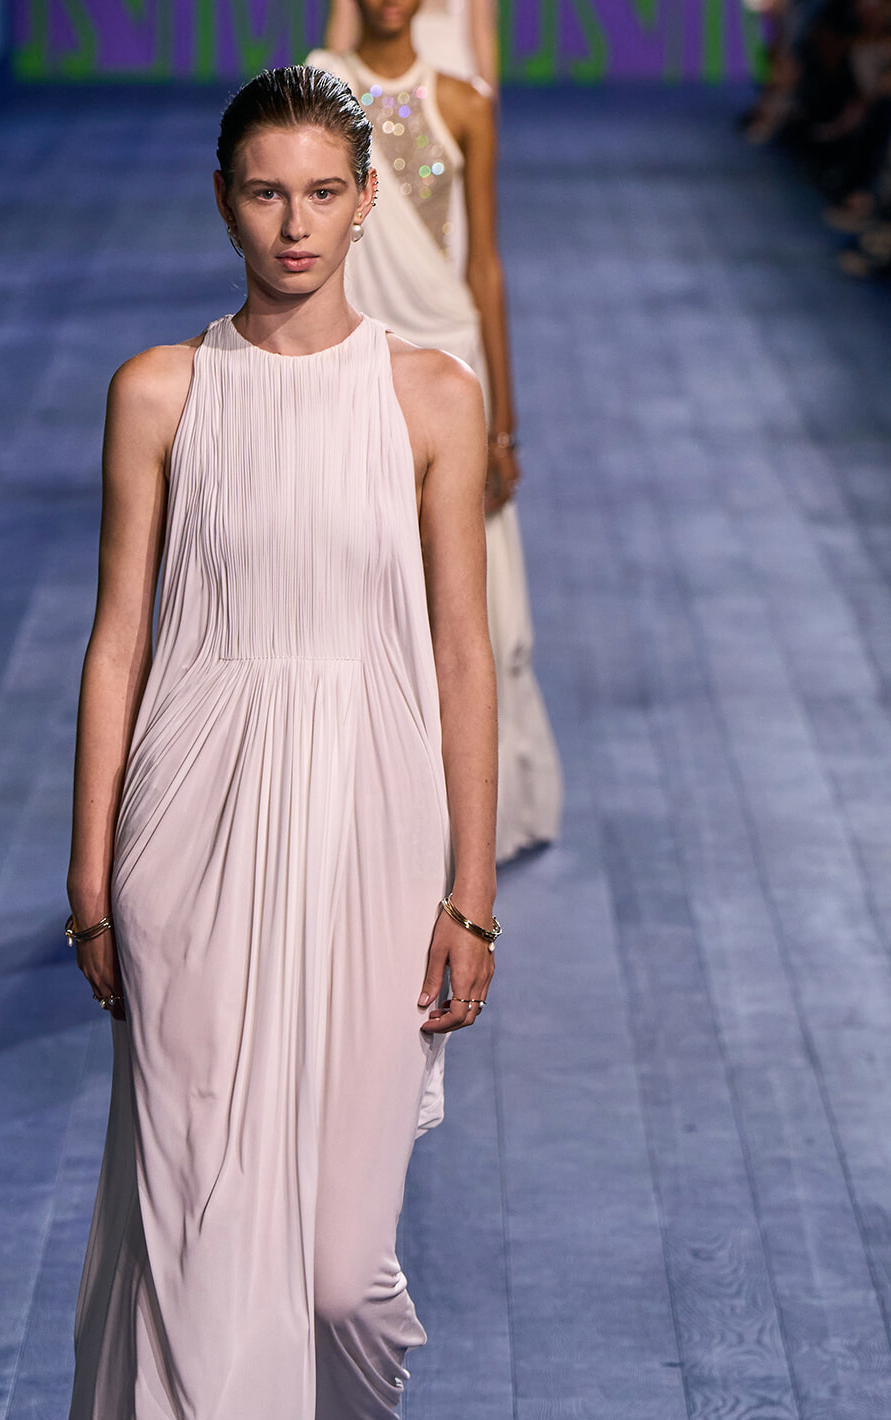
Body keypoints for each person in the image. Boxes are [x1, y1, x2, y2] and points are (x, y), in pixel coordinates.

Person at [0, 65, 500, 1420]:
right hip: (190, 825)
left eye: (323, 192)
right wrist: (90, 875)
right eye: (265, 191)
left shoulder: (429, 397)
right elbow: (117, 637)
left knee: (340, 1267)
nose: (294, 224)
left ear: (368, 200)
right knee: (203, 1236)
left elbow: (461, 654)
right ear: (225, 198)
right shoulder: (159, 390)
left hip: (372, 825)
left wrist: (471, 889)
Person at [309, 0, 563, 865]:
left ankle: (471, 822)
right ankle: (365, 809)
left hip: (449, 362)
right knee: (357, 581)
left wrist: (504, 423)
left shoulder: (463, 101)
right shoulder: (321, 89)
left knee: (466, 601)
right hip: (353, 361)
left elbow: (483, 262)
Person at [326, 0, 499, 90]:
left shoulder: (470, 101)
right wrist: (332, 88)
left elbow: (482, 31)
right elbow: (344, 23)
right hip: (380, 83)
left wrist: (488, 99)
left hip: (457, 83)